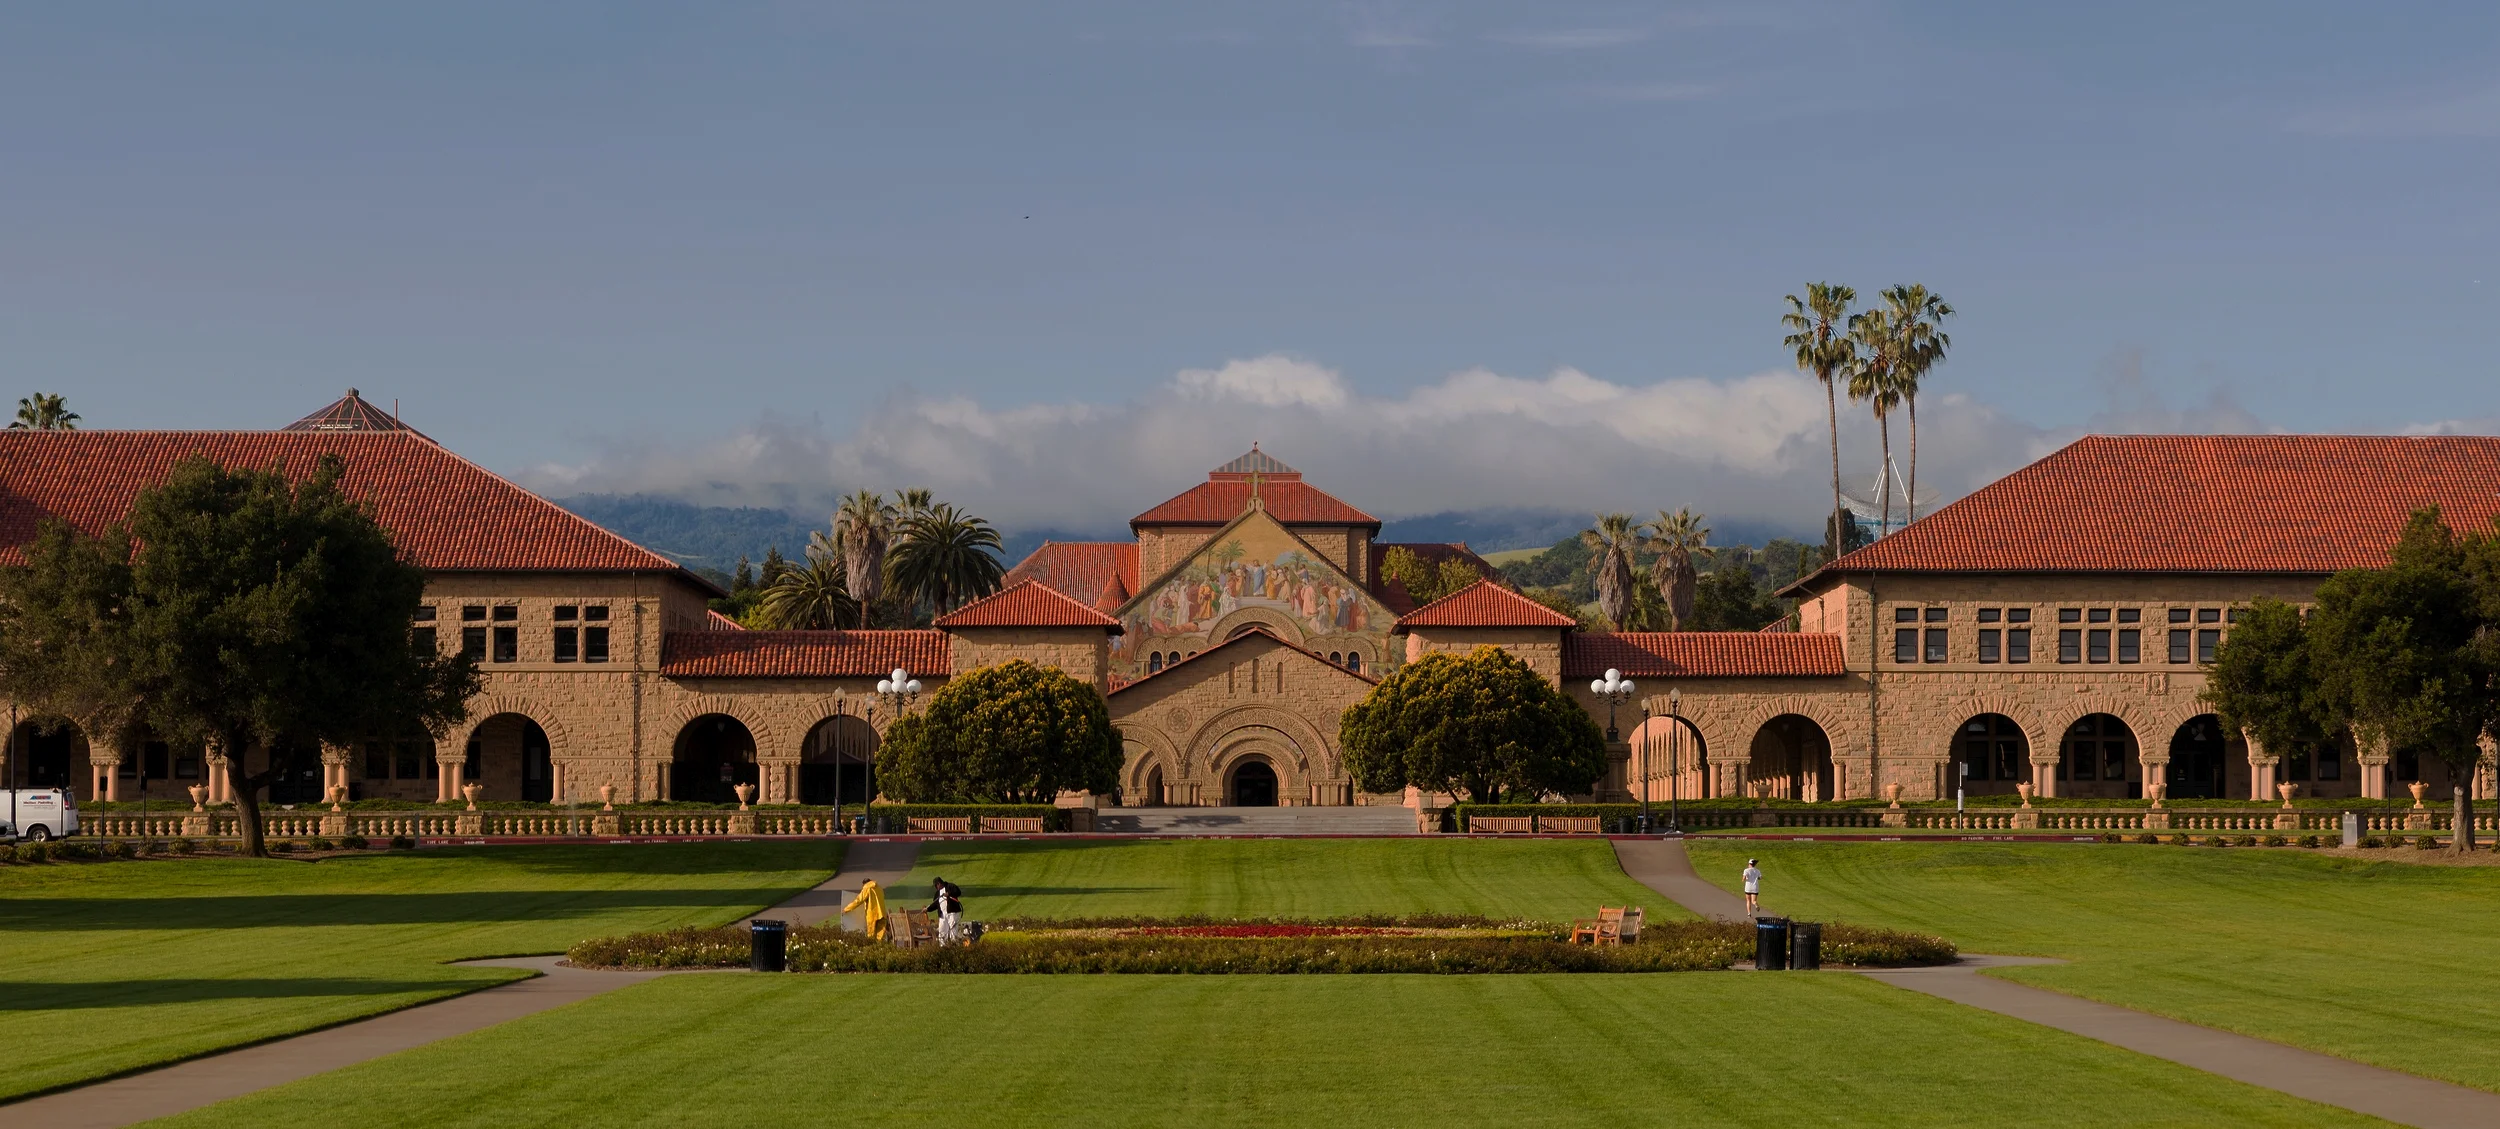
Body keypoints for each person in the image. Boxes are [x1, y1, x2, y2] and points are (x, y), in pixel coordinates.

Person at [842, 878, 888, 942]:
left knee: (871, 936)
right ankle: (880, 948)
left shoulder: (867, 887)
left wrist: (847, 909)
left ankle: (871, 949)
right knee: (880, 936)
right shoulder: (879, 888)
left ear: (864, 884)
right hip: (882, 913)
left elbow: (859, 900)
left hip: (872, 914)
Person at [928, 877, 964, 946]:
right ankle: (943, 949)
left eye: (936, 886)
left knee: (953, 931)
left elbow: (958, 892)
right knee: (942, 932)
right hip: (942, 916)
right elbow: (935, 904)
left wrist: (949, 894)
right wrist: (928, 909)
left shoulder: (950, 886)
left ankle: (954, 947)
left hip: (952, 913)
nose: (936, 888)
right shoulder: (937, 893)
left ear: (938, 884)